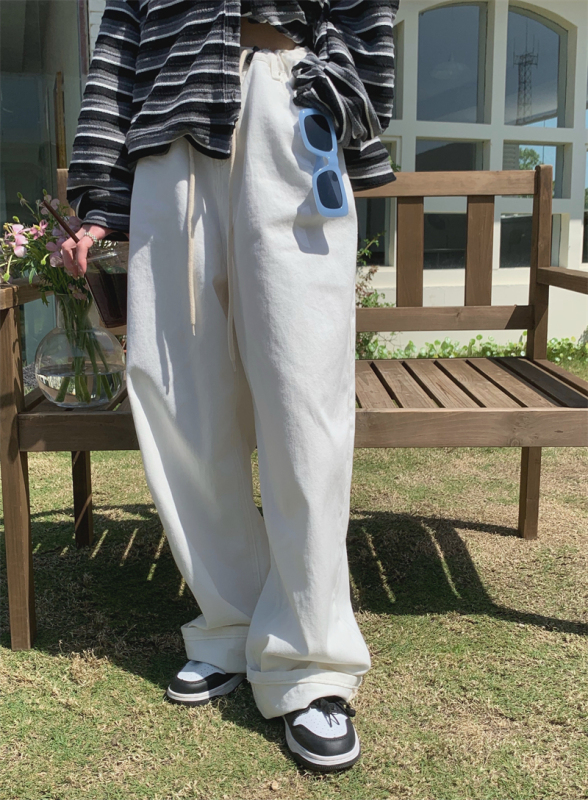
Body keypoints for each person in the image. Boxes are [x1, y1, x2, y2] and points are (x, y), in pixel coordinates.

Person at [63, 1, 399, 773]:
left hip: (287, 111)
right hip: (166, 142)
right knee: (178, 397)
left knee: (303, 400)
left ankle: (309, 660)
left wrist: (348, 96)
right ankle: (232, 621)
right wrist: (100, 195)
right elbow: (120, 39)